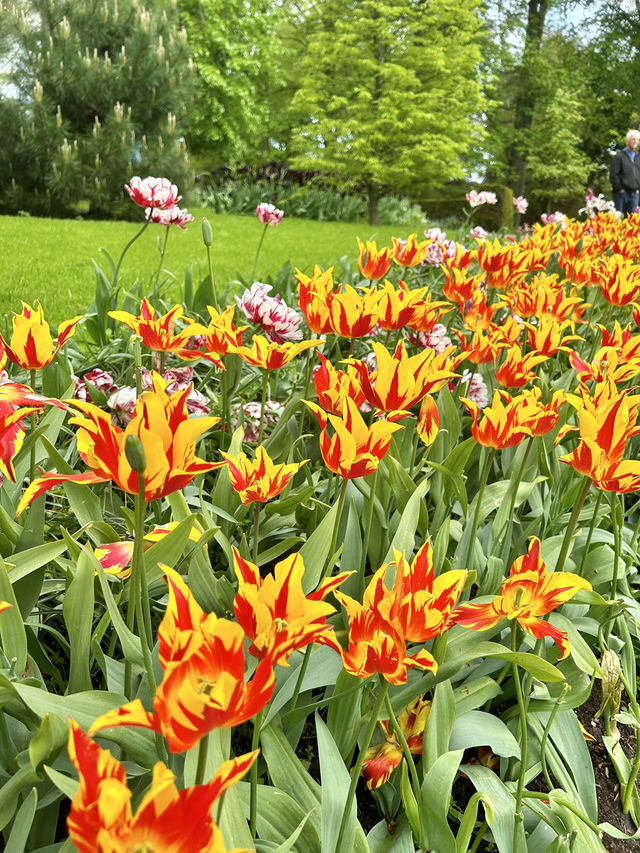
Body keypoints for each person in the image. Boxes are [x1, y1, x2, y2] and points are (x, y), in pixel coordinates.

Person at [610, 130, 640, 216]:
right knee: (619, 219)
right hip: (621, 194)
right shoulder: (619, 156)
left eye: (637, 140)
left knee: (632, 221)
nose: (635, 141)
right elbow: (613, 175)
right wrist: (620, 189)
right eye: (633, 139)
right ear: (627, 141)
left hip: (635, 194)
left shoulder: (638, 157)